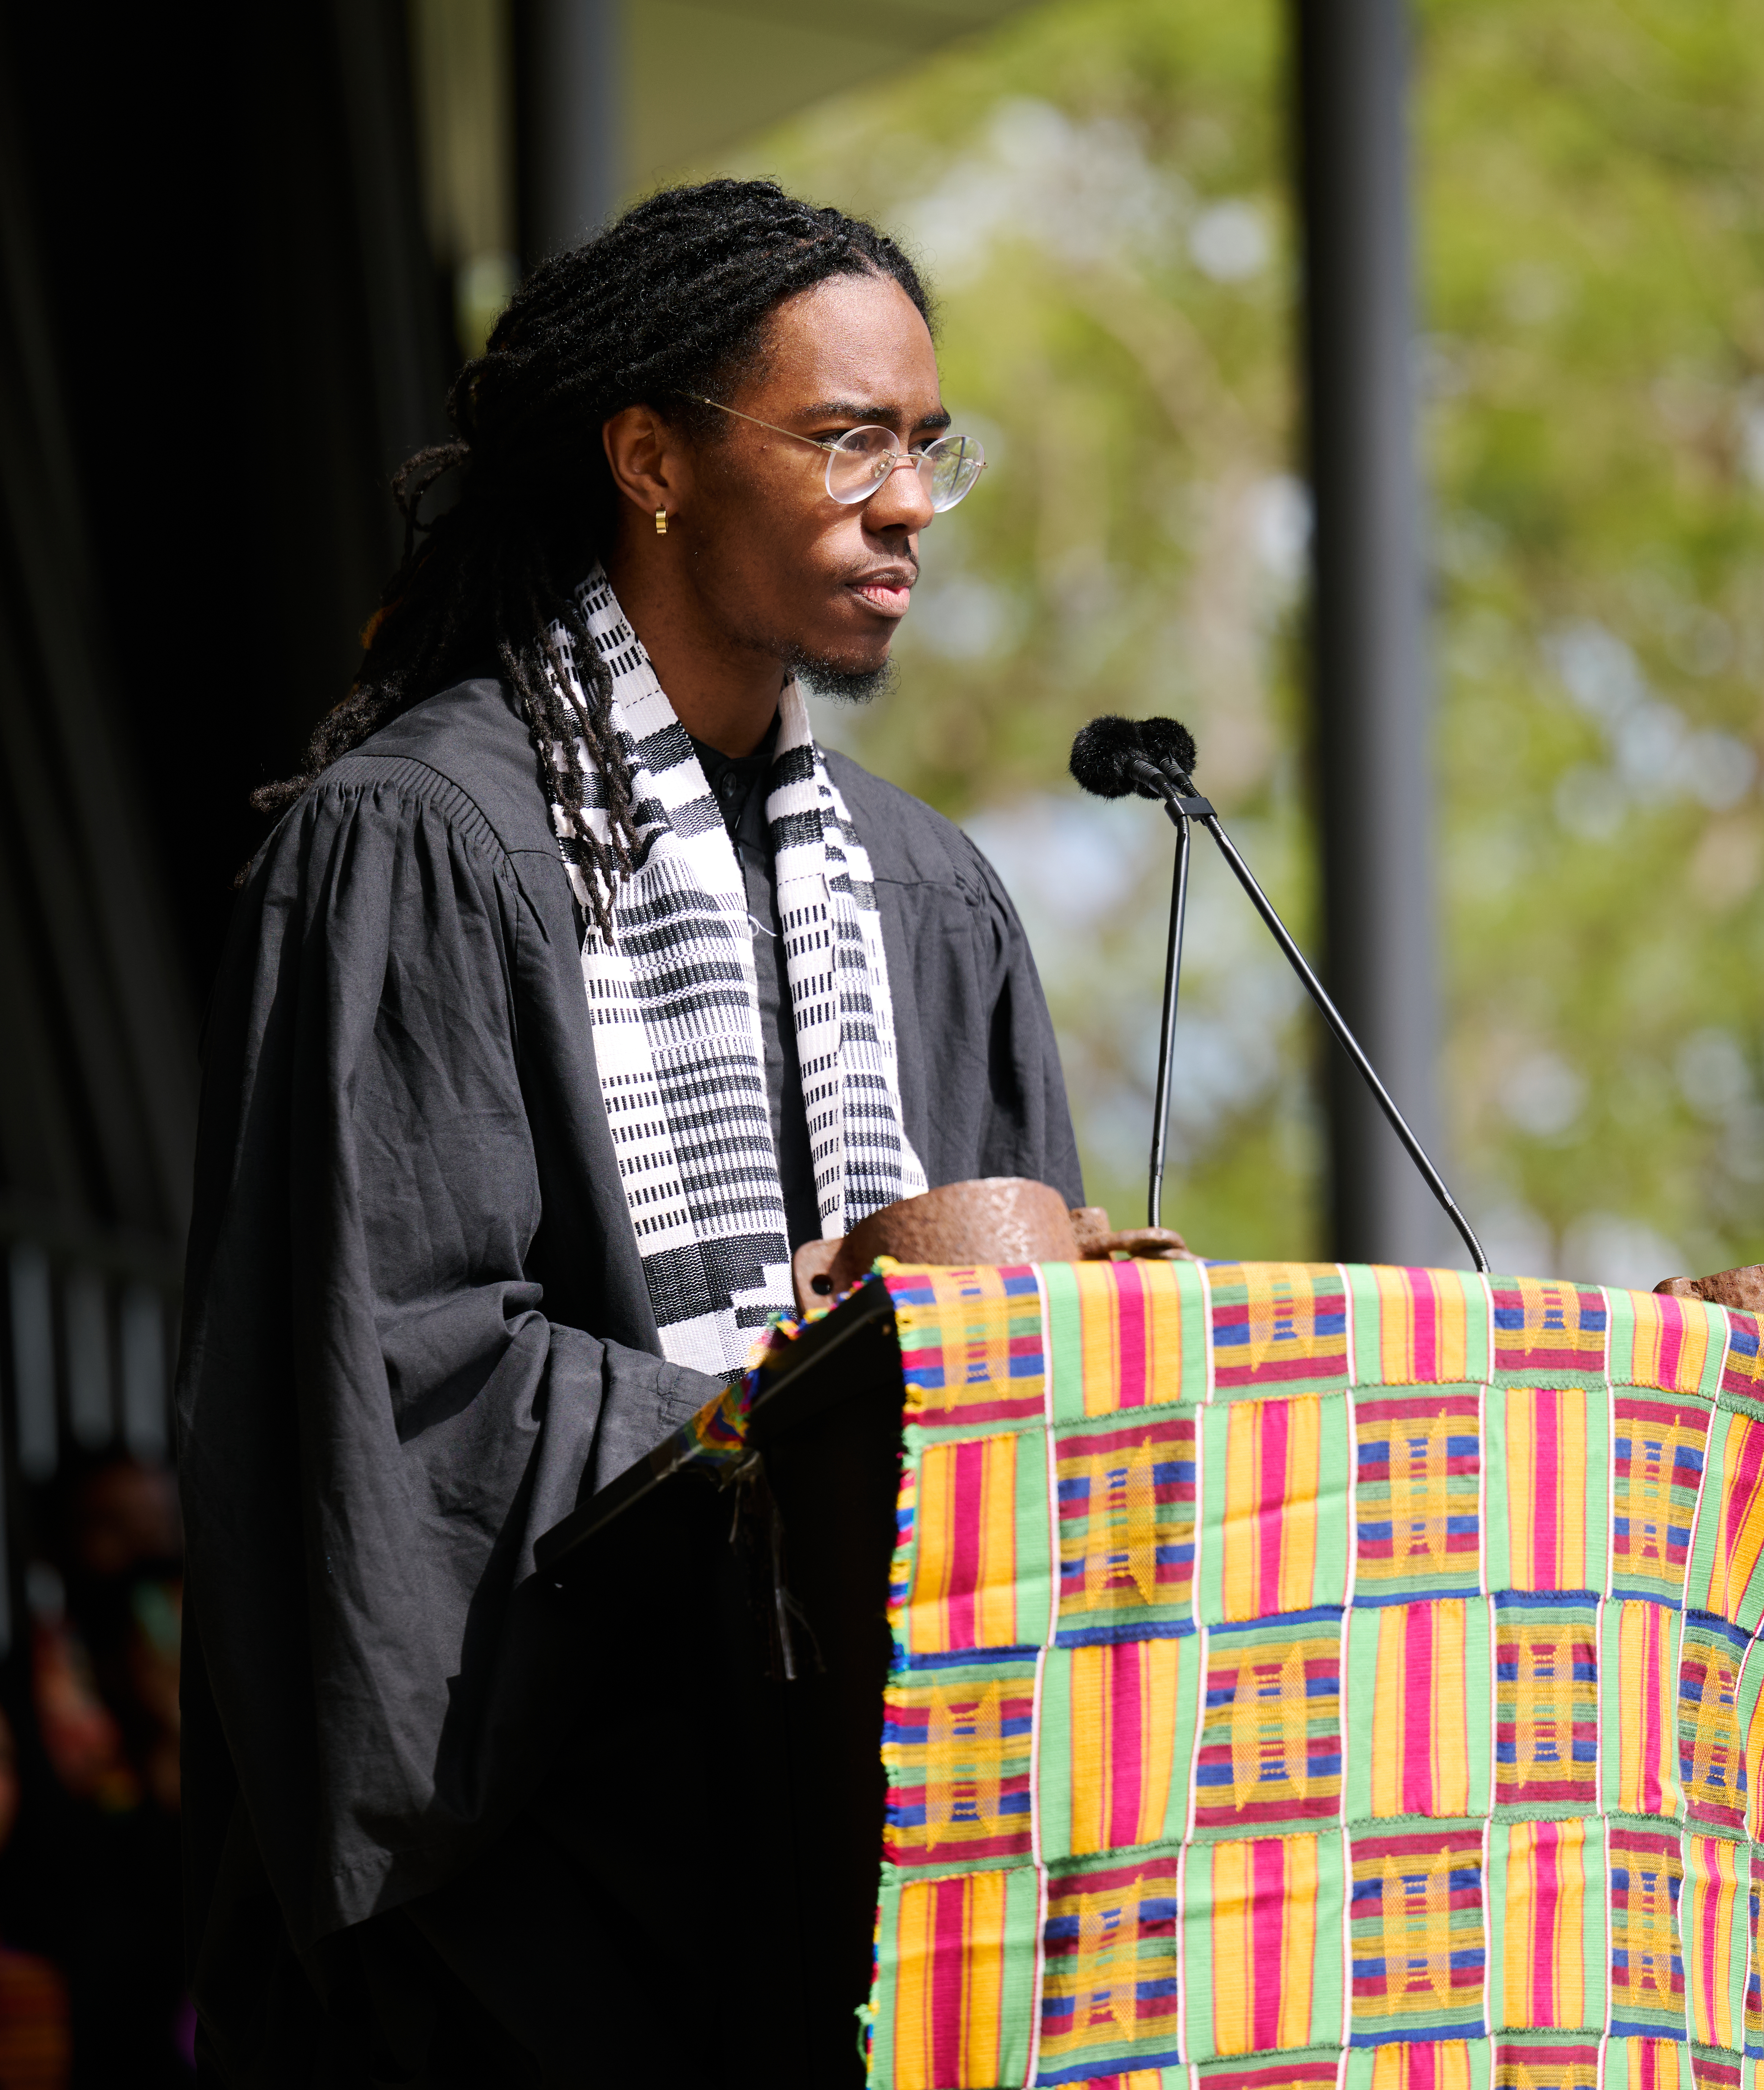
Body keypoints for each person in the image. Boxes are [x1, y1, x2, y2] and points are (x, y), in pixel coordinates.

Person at [176, 180, 1082, 2087]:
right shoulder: (417, 845)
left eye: (928, 447)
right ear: (650, 457)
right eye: (847, 440)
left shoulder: (927, 896)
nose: (907, 504)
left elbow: (1015, 1388)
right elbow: (395, 1384)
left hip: (858, 1881)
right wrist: (811, 1390)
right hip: (529, 1922)